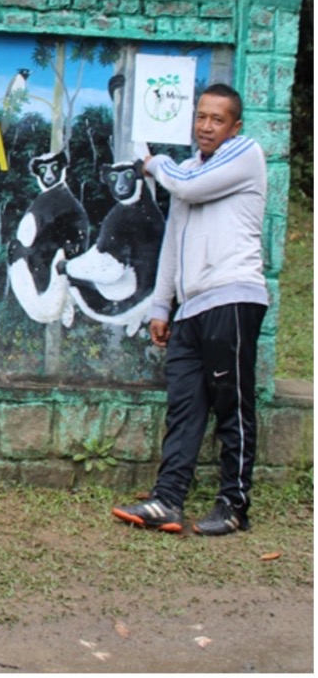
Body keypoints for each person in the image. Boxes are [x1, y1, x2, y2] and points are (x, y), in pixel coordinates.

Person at [112, 83, 268, 536]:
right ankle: (167, 500)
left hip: (234, 297)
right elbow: (172, 245)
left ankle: (234, 506)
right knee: (184, 406)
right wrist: (162, 305)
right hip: (192, 309)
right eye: (200, 117)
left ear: (235, 126)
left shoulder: (245, 155)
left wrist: (153, 162)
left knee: (232, 406)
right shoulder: (188, 172)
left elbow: (185, 185)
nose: (206, 126)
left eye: (217, 119)